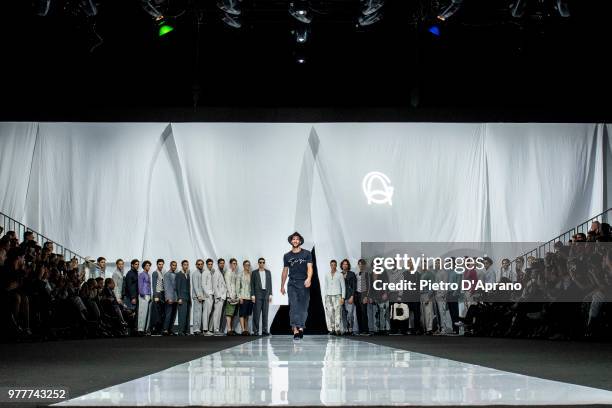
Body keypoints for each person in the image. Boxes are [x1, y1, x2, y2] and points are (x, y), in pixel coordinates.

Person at [281, 231, 313, 341]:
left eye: (297, 239)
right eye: (293, 239)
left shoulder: (307, 253)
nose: (295, 240)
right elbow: (285, 271)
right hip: (292, 283)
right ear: (291, 241)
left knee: (303, 307)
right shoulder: (287, 256)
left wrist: (309, 278)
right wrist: (282, 285)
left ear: (300, 241)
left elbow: (310, 268)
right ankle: (295, 329)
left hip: (304, 283)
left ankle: (301, 327)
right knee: (294, 306)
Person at [251, 257, 273, 336]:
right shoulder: (254, 273)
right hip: (257, 294)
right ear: (258, 263)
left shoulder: (268, 272)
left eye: (263, 262)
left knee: (265, 313)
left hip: (266, 294)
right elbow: (252, 284)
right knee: (256, 313)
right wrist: (252, 295)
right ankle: (255, 330)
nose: (262, 264)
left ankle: (265, 330)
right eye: (260, 262)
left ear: (264, 263)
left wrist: (270, 294)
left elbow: (270, 284)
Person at [324, 259, 345, 335]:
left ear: (336, 265)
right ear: (330, 265)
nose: (333, 266)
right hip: (329, 296)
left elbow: (343, 286)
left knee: (338, 313)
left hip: (337, 296)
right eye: (332, 265)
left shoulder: (340, 274)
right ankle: (332, 329)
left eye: (334, 265)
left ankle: (338, 329)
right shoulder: (327, 274)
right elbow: (326, 286)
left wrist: (343, 297)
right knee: (330, 313)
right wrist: (325, 296)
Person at [210, 258, 227, 335]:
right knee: (217, 313)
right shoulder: (216, 273)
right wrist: (218, 296)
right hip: (219, 297)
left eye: (223, 263)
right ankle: (216, 330)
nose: (222, 264)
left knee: (218, 314)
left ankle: (215, 329)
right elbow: (214, 285)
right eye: (221, 263)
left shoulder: (221, 272)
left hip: (222, 297)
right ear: (218, 264)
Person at [223, 258, 240, 335]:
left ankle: (232, 329)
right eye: (233, 263)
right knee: (229, 313)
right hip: (230, 295)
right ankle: (228, 329)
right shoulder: (228, 272)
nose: (235, 265)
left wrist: (236, 295)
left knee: (233, 313)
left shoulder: (234, 273)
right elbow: (227, 285)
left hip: (234, 295)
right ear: (230, 264)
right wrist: (230, 295)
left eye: (235, 264)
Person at [340, 259, 357, 335]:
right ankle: (345, 329)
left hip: (349, 296)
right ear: (341, 265)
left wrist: (352, 296)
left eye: (346, 264)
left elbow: (354, 286)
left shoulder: (352, 274)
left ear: (348, 265)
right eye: (343, 264)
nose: (345, 265)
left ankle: (351, 328)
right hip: (342, 297)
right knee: (343, 314)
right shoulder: (339, 274)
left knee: (350, 314)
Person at [150, 259, 166, 335]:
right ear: (157, 265)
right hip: (157, 294)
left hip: (162, 294)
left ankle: (159, 329)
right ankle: (154, 330)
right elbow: (154, 285)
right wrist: (155, 296)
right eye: (159, 264)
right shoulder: (155, 273)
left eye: (162, 264)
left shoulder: (162, 273)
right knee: (156, 313)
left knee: (161, 313)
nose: (161, 265)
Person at [237, 260, 253, 335]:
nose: (247, 266)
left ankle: (246, 329)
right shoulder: (240, 274)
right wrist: (239, 297)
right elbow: (237, 287)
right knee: (242, 314)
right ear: (243, 266)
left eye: (249, 265)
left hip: (249, 297)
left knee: (247, 314)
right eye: (246, 265)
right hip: (242, 297)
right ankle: (243, 330)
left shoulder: (251, 274)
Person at [175, 260, 191, 335]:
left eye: (187, 265)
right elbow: (177, 287)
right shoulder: (179, 274)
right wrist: (179, 298)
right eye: (184, 265)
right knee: (182, 315)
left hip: (187, 298)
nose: (186, 266)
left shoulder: (187, 274)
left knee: (187, 315)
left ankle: (186, 331)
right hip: (182, 298)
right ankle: (180, 331)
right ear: (182, 265)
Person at [191, 259, 206, 335]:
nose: (200, 265)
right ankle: (196, 329)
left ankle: (199, 329)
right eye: (198, 264)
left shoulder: (203, 273)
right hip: (197, 297)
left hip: (203, 296)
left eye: (201, 264)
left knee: (201, 313)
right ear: (196, 265)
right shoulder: (195, 274)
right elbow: (195, 286)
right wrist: (198, 296)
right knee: (197, 313)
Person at [162, 260, 178, 335]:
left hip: (175, 297)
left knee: (173, 314)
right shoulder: (167, 274)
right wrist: (168, 298)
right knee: (168, 314)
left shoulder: (176, 274)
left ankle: (170, 329)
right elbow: (166, 287)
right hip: (170, 297)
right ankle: (165, 329)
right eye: (173, 265)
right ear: (170, 266)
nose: (174, 267)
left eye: (175, 265)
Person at [137, 260, 152, 335]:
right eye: (147, 265)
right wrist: (142, 294)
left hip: (148, 295)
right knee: (142, 312)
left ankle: (145, 329)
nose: (148, 267)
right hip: (143, 295)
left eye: (149, 265)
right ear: (144, 266)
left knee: (147, 313)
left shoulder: (148, 275)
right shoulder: (141, 274)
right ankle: (140, 329)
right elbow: (140, 285)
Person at [354, 259, 369, 335]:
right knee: (358, 312)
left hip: (364, 294)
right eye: (359, 264)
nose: (361, 266)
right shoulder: (356, 274)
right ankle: (360, 330)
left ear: (364, 265)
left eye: (362, 264)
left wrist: (366, 296)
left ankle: (365, 330)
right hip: (357, 294)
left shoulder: (367, 274)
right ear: (358, 265)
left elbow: (369, 286)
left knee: (364, 312)